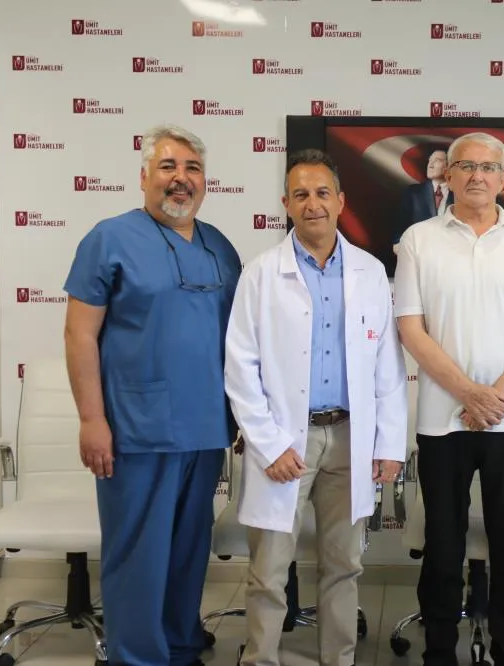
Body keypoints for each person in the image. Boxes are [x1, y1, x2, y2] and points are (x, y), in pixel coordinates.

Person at [63, 124, 242, 666]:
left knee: (189, 549)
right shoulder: (109, 239)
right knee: (138, 553)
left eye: (192, 169)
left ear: (205, 182)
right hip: (135, 429)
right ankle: (137, 655)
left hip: (205, 428)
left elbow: (239, 340)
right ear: (144, 177)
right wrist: (91, 420)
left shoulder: (219, 246)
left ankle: (181, 644)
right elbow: (79, 334)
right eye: (168, 167)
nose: (180, 179)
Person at [225, 149, 408, 666]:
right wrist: (268, 443)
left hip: (350, 438)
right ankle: (261, 659)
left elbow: (387, 365)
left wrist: (389, 443)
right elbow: (240, 366)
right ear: (286, 204)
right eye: (301, 195)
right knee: (269, 571)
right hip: (285, 439)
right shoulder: (261, 273)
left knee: (344, 565)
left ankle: (339, 659)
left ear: (341, 201)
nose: (313, 204)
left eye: (322, 193)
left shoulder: (370, 271)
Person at [394, 132, 504, 666]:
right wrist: (468, 393)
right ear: (448, 175)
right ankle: (439, 651)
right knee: (443, 547)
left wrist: (496, 398)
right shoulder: (418, 239)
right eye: (465, 166)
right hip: (443, 420)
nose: (476, 176)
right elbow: (411, 328)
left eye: (488, 168)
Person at [393, 149, 453, 252]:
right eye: (430, 161)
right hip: (418, 252)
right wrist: (399, 244)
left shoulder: (458, 193)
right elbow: (401, 226)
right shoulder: (413, 192)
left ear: (449, 166)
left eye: (437, 160)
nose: (430, 165)